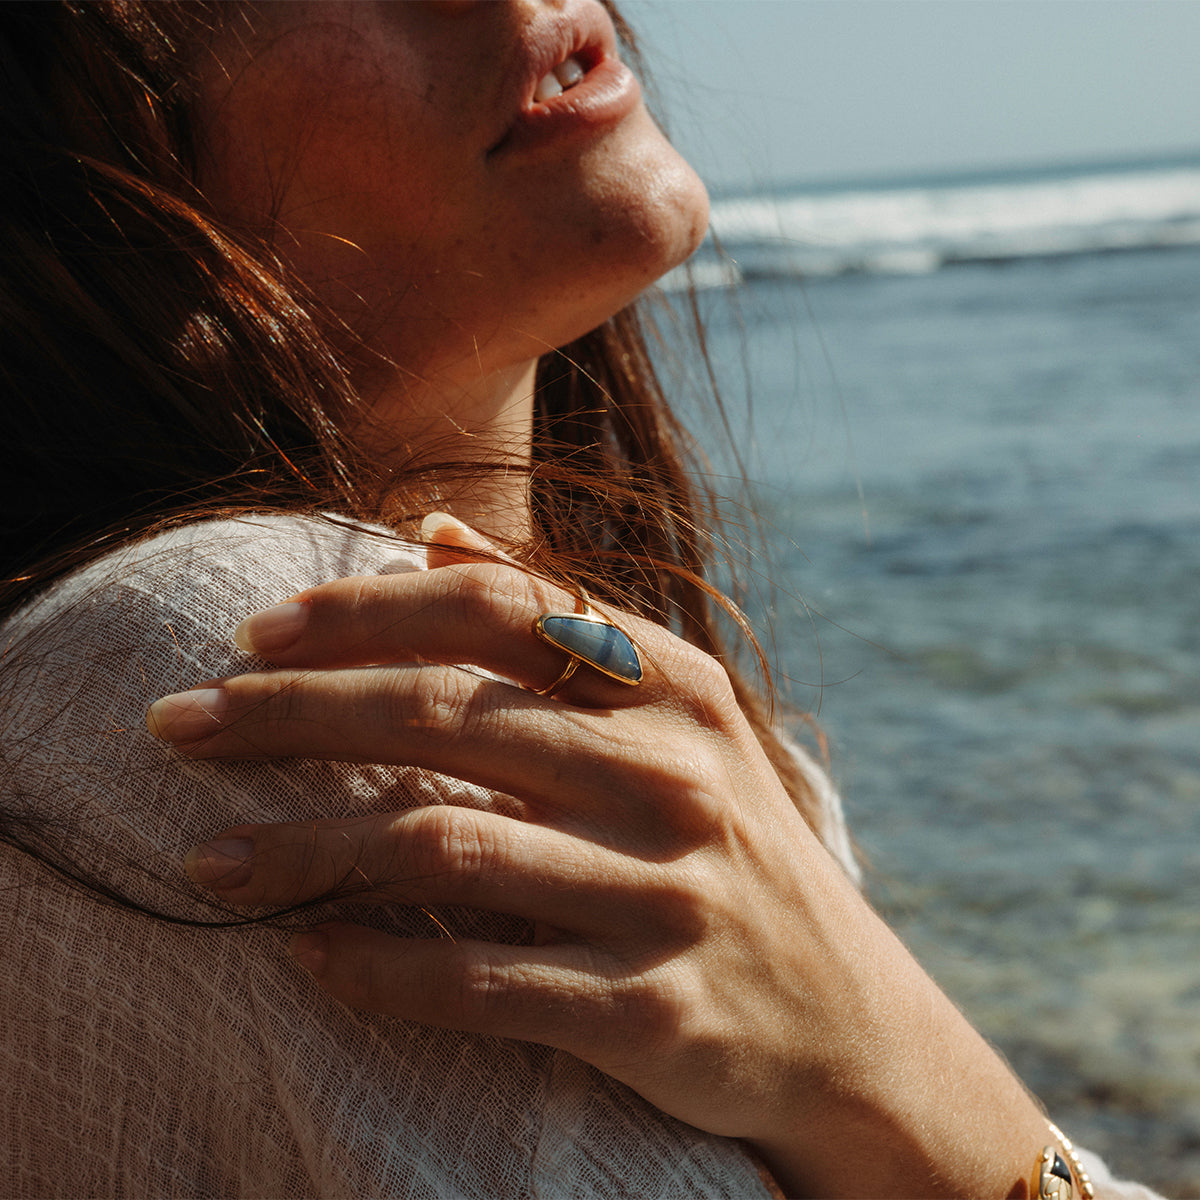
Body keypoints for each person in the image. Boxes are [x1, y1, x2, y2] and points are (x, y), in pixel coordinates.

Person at [0, 2, 1161, 1197]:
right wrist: (901, 1078)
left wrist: (885, 1054)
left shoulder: (673, 763)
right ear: (86, 163)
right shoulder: (281, 663)